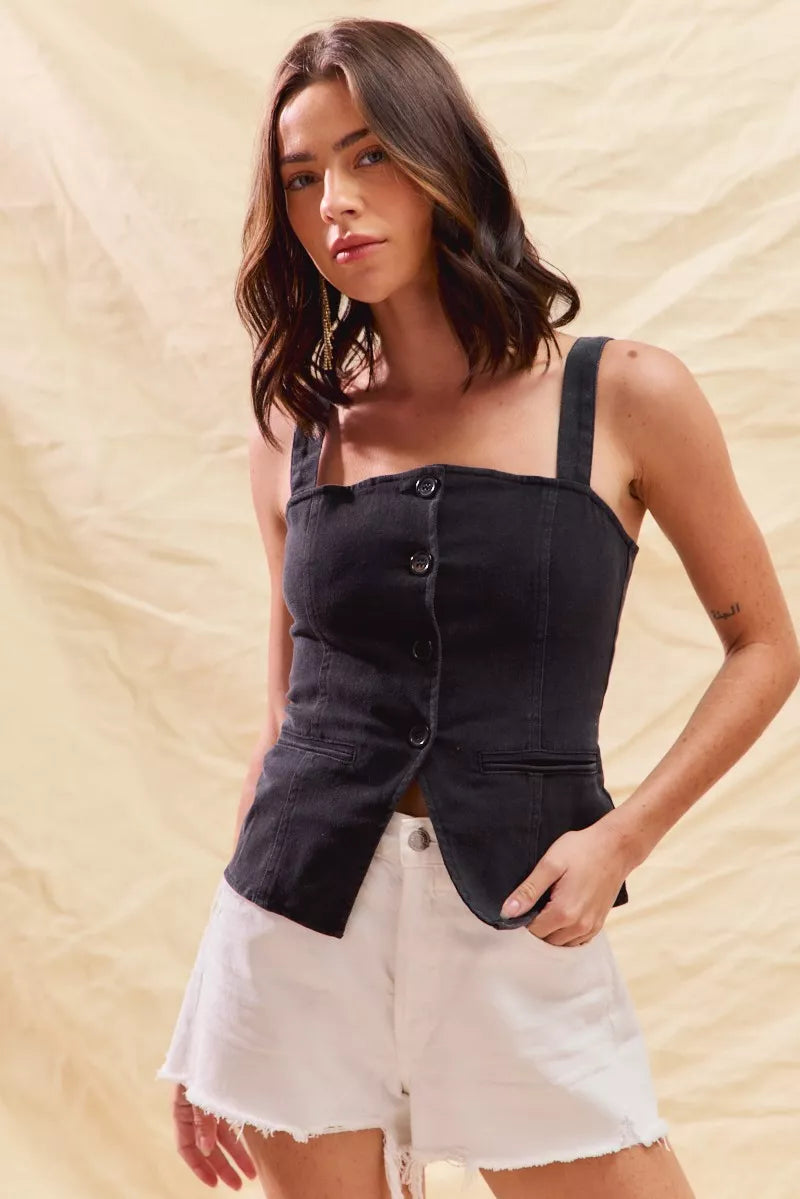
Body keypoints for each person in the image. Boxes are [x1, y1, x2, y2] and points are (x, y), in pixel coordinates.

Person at [155, 17, 799, 1199]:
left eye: (367, 156)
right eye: (300, 179)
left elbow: (764, 644)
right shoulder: (295, 427)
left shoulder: (624, 395)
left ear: (441, 158)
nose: (333, 204)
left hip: (515, 903)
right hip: (294, 926)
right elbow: (286, 717)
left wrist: (623, 835)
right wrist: (215, 1001)